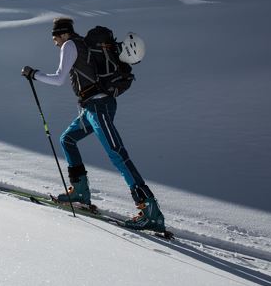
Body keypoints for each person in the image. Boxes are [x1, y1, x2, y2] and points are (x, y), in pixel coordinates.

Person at [21, 17, 165, 232]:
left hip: (99, 108)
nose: (54, 42)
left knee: (117, 154)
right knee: (67, 139)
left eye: (54, 37)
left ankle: (150, 211)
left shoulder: (70, 45)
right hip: (91, 108)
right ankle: (80, 192)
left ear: (62, 34)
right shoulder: (82, 43)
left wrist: (34, 74)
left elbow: (59, 79)